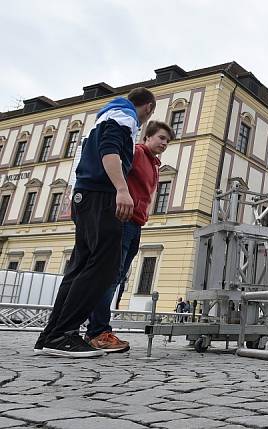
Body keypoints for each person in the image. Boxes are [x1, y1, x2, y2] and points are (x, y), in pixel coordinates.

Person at [33, 87, 156, 358]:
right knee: (104, 265)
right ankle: (63, 334)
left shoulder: (106, 116)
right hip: (101, 196)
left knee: (80, 267)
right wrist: (122, 189)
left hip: (85, 196)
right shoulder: (124, 118)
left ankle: (53, 334)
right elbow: (110, 152)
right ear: (148, 108)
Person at [84, 121, 174, 352]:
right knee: (111, 276)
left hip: (136, 223)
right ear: (148, 137)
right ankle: (98, 331)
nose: (164, 143)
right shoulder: (135, 152)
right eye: (161, 138)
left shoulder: (153, 164)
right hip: (123, 220)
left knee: (119, 277)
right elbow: (113, 173)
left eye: (167, 141)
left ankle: (99, 329)